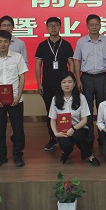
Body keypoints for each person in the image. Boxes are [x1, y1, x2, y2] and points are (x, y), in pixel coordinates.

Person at [0, 30, 29, 168]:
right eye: (0, 41)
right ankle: (1, 156)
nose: (3, 44)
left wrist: (19, 95)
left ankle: (17, 155)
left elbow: (22, 77)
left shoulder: (17, 57)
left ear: (10, 42)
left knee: (18, 128)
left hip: (16, 99)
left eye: (5, 41)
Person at [35, 17, 75, 152]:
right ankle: (52, 138)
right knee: (50, 111)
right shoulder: (42, 45)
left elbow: (71, 63)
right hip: (47, 83)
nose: (53, 28)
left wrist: (72, 81)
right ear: (47, 28)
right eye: (50, 25)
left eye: (56, 25)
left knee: (65, 110)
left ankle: (66, 137)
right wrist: (39, 84)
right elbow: (38, 65)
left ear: (60, 27)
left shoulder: (66, 44)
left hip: (64, 85)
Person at [48, 71, 100, 166]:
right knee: (66, 145)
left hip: (79, 128)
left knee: (77, 135)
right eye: (64, 82)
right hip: (63, 131)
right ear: (60, 84)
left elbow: (85, 120)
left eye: (69, 82)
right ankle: (66, 152)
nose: (67, 85)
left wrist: (73, 129)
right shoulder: (55, 99)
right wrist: (56, 133)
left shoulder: (81, 98)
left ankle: (89, 156)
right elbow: (52, 119)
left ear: (74, 83)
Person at [73, 14, 106, 114]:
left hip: (102, 78)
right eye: (91, 25)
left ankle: (102, 125)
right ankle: (88, 125)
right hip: (86, 78)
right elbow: (77, 61)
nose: (94, 27)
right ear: (87, 26)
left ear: (100, 25)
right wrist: (78, 80)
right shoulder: (81, 42)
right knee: (87, 107)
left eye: (96, 24)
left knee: (103, 106)